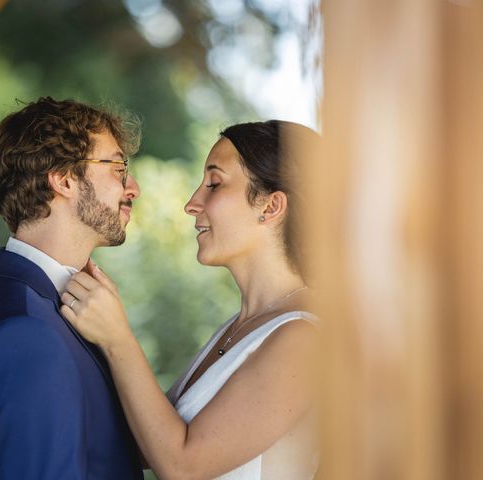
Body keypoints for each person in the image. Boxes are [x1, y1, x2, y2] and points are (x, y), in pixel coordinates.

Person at [61, 120, 321, 479]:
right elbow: (142, 442)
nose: (191, 204)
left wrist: (117, 338)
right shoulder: (236, 328)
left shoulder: (305, 340)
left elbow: (182, 465)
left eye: (214, 184)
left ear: (271, 206)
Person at [0, 97, 144, 479]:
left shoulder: (43, 304)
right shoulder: (26, 331)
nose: (133, 187)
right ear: (64, 179)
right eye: (119, 167)